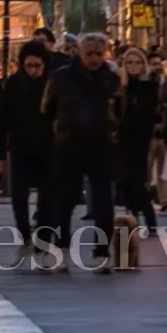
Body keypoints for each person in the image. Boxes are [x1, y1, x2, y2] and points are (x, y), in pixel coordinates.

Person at [41, 30, 120, 271]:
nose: (94, 58)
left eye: (99, 54)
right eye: (90, 54)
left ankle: (101, 253)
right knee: (64, 201)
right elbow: (47, 109)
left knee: (104, 203)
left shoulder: (111, 78)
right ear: (79, 52)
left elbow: (121, 109)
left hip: (100, 145)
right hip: (69, 145)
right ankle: (62, 249)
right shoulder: (61, 77)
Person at [0, 42, 52, 250]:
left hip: (48, 147)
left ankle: (43, 236)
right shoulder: (13, 84)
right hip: (20, 147)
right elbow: (4, 119)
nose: (33, 70)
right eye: (29, 65)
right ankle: (24, 232)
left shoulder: (52, 83)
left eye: (37, 65)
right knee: (19, 194)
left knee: (47, 195)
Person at [115, 47, 160, 235]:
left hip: (140, 139)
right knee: (126, 182)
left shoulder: (149, 85)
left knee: (137, 181)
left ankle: (150, 221)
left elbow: (148, 113)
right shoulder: (120, 86)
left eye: (138, 62)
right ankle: (133, 219)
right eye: (129, 62)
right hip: (121, 140)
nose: (134, 66)